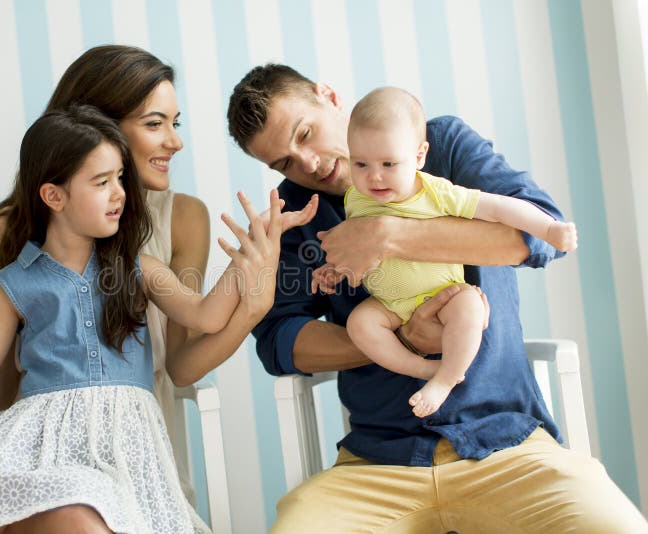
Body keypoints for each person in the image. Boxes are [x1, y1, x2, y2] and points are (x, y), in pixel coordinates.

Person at [0, 46, 316, 532]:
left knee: (81, 509)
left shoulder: (146, 258)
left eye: (177, 123)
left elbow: (197, 326)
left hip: (125, 456)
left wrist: (253, 270)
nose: (174, 143)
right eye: (155, 123)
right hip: (32, 451)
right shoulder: (17, 267)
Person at [227, 64, 648, 532]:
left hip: (505, 444)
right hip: (375, 462)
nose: (306, 163)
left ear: (327, 96)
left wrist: (388, 236)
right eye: (284, 162)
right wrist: (402, 341)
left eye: (305, 133)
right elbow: (281, 340)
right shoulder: (294, 212)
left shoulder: (440, 143)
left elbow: (538, 235)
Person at [311, 86, 577, 418]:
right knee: (359, 324)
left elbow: (499, 209)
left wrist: (548, 229)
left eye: (388, 163)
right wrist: (334, 270)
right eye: (361, 164)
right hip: (391, 303)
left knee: (470, 309)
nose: (374, 176)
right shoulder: (356, 199)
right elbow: (360, 256)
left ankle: (448, 377)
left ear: (419, 156)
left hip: (445, 293)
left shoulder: (436, 193)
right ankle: (422, 370)